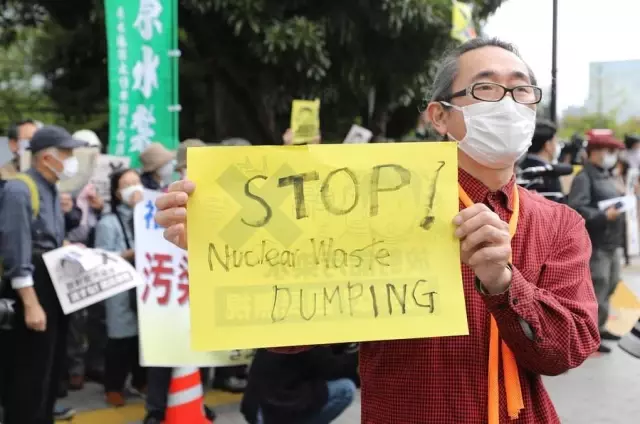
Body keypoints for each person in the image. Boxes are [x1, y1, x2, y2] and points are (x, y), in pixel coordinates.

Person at [155, 38, 600, 424]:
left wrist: (506, 284)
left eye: (521, 90)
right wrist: (218, 248)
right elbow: (290, 337)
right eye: (485, 87)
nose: (506, 102)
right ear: (439, 117)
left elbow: (569, 350)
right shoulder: (372, 203)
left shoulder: (559, 224)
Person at [0, 125, 86, 424]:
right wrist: (31, 303)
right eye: (67, 154)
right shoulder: (19, 189)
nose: (72, 160)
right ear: (47, 159)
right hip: (32, 290)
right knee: (28, 375)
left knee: (50, 370)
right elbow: (17, 250)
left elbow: (49, 239)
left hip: (54, 286)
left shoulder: (51, 190)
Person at [143, 139, 216, 424]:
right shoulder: (166, 198)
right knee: (165, 349)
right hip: (170, 285)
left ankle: (196, 399)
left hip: (201, 285)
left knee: (204, 349)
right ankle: (157, 407)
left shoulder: (216, 195)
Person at [568, 129, 626, 353]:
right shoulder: (584, 177)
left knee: (610, 284)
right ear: (595, 152)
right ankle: (590, 333)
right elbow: (576, 209)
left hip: (611, 241)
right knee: (598, 286)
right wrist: (603, 216)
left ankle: (599, 327)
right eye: (609, 151)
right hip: (597, 241)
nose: (612, 155)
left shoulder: (606, 175)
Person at [94, 169, 147, 407]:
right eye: (127, 184)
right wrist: (130, 253)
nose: (134, 187)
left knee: (143, 338)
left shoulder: (149, 215)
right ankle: (113, 386)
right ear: (117, 192)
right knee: (120, 338)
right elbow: (101, 259)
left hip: (146, 284)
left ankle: (140, 380)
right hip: (120, 287)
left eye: (136, 182)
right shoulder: (108, 222)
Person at [241, 347, 357, 424]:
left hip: (255, 405)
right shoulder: (309, 336)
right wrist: (360, 355)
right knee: (346, 389)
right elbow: (331, 368)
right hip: (274, 408)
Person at [519, 119, 565, 202]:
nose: (556, 146)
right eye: (555, 141)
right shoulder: (549, 173)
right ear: (548, 145)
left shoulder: (519, 168)